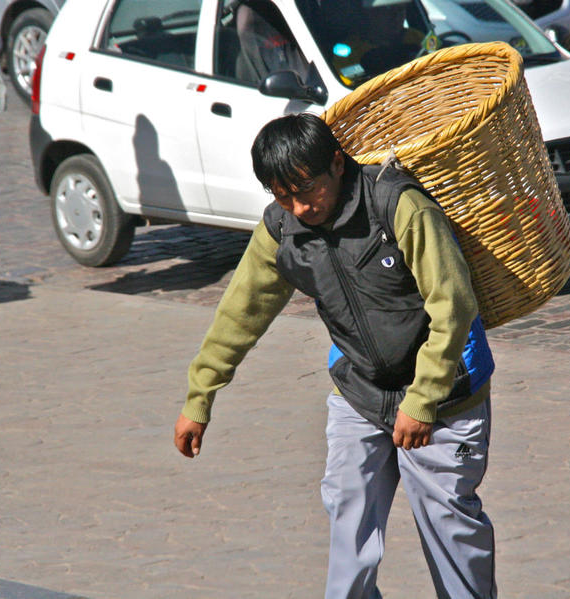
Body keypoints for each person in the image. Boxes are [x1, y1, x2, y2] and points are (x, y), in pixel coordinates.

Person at [174, 113, 497, 598]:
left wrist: (422, 400)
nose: (300, 207)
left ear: (338, 165)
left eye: (307, 191)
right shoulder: (283, 228)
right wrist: (199, 399)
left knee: (450, 528)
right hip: (359, 395)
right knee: (349, 520)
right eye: (283, 196)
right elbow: (239, 312)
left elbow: (452, 304)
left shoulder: (399, 206)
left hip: (446, 395)